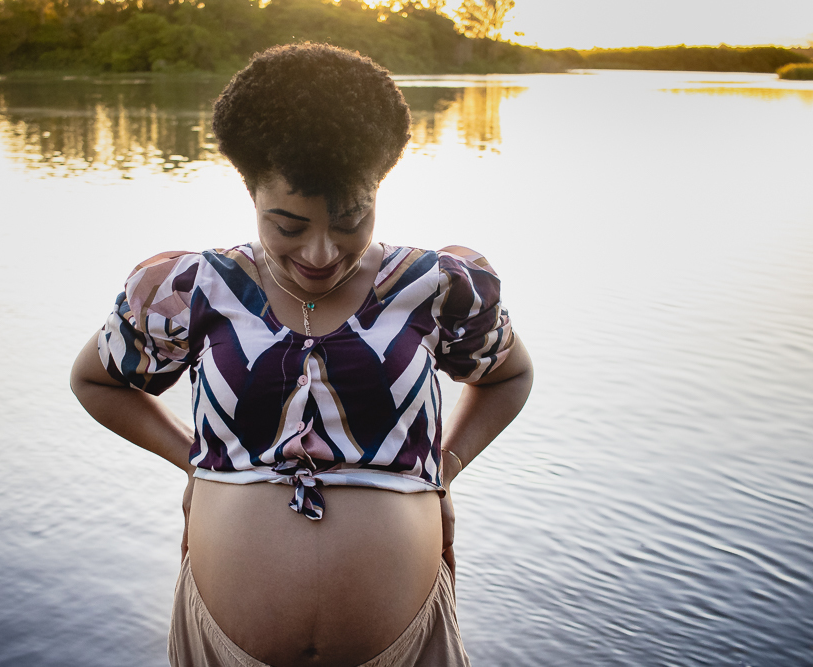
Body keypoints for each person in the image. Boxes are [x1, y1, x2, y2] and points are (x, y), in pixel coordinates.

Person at [70, 43, 533, 667]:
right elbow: (95, 381)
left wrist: (443, 468)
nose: (320, 253)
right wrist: (194, 462)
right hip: (223, 647)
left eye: (350, 220)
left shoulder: (436, 285)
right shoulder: (193, 289)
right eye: (288, 226)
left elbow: (509, 376)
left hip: (406, 647)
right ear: (250, 190)